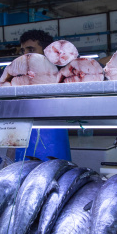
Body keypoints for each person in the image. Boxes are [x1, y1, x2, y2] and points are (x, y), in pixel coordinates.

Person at [15, 30, 71, 162]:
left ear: (47, 51)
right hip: (23, 141)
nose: (25, 55)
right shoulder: (18, 77)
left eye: (31, 49)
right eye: (23, 50)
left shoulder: (61, 74)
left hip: (53, 140)